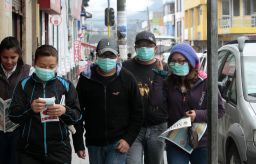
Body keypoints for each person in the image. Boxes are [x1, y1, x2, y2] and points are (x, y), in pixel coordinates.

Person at [150, 43, 225, 164]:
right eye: (173, 61)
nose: (176, 64)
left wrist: (198, 115)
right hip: (176, 140)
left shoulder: (205, 82)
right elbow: (155, 101)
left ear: (190, 62)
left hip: (201, 142)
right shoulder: (168, 82)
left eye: (181, 61)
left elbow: (220, 110)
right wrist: (158, 76)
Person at [72, 38, 143, 164]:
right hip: (94, 142)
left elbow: (138, 112)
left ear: (118, 57)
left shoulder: (127, 79)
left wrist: (128, 139)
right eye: (104, 55)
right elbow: (77, 112)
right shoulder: (85, 79)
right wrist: (78, 143)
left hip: (118, 142)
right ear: (97, 56)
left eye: (111, 55)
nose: (107, 59)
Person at [9, 45, 81, 164]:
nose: (47, 70)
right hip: (28, 151)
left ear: (57, 65)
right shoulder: (24, 85)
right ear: (35, 63)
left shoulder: (65, 86)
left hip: (59, 151)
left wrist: (64, 111)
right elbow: (13, 115)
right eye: (42, 66)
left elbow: (77, 116)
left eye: (51, 66)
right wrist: (30, 109)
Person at [123, 31, 168, 164]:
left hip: (158, 126)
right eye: (141, 45)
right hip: (133, 128)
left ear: (155, 48)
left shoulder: (164, 68)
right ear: (135, 48)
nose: (144, 48)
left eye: (148, 45)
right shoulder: (126, 67)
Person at [0, 36, 32, 164]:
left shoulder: (28, 72)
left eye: (13, 57)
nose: (8, 61)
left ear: (19, 55)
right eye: (4, 57)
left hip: (20, 129)